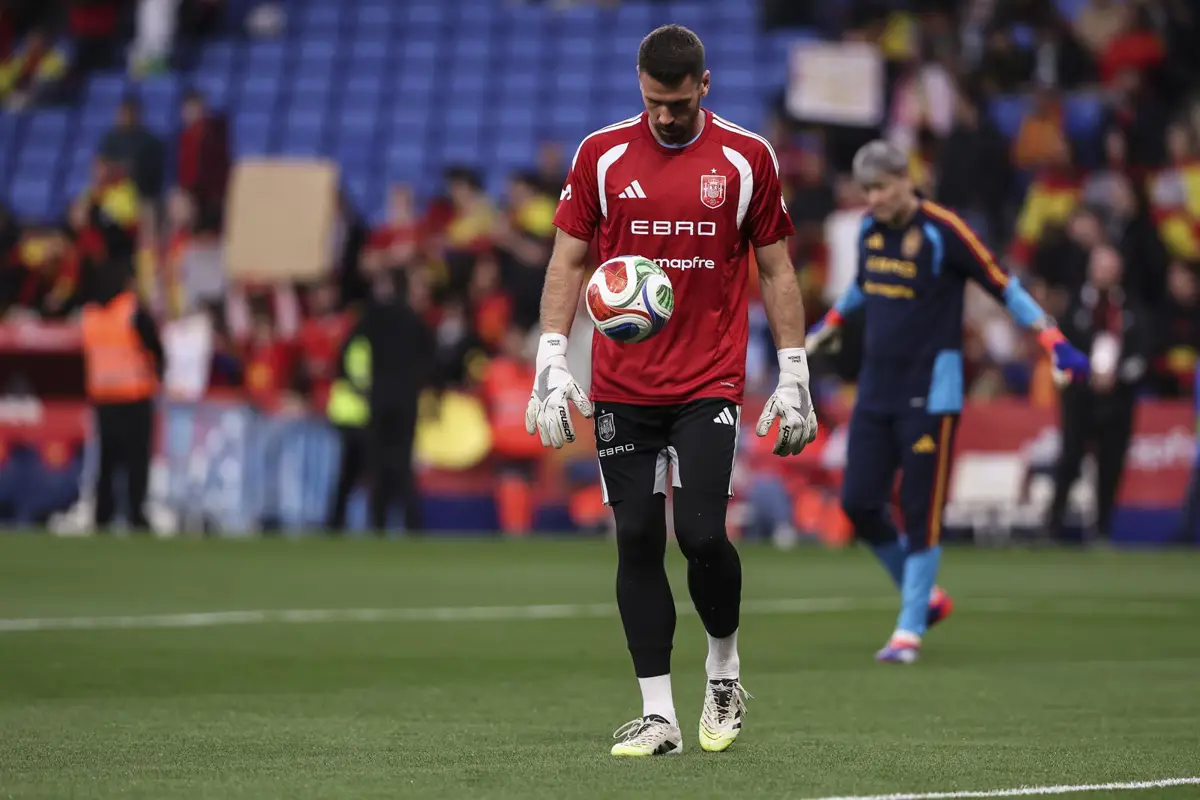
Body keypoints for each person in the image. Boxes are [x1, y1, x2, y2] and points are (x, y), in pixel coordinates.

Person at [526, 25, 818, 757]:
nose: (665, 116)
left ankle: (724, 671)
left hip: (707, 381)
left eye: (679, 104)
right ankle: (658, 717)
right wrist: (551, 356)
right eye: (654, 101)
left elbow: (776, 269)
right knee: (635, 538)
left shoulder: (747, 159)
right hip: (622, 384)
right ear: (639, 84)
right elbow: (567, 261)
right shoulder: (600, 155)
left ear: (704, 87)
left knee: (701, 535)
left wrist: (794, 371)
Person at [806, 140, 1089, 665]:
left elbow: (1003, 285)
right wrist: (829, 324)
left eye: (882, 187)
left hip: (931, 393)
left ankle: (909, 628)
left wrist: (1051, 337)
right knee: (858, 503)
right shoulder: (869, 230)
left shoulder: (945, 230)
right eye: (867, 190)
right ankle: (927, 598)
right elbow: (863, 286)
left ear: (906, 179)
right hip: (875, 389)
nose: (875, 198)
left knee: (921, 508)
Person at [1045, 245, 1150, 542]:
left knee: (1111, 462)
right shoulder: (1074, 306)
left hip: (1118, 397)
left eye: (1110, 268)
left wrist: (1120, 375)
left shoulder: (1131, 309)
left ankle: (1102, 527)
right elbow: (1061, 346)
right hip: (1080, 396)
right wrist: (1086, 373)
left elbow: (1144, 350)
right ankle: (1053, 524)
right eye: (1100, 267)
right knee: (1071, 457)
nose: (1105, 273)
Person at [80, 271, 165, 533]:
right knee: (136, 460)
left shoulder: (90, 315)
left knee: (107, 460)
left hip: (103, 397)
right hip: (134, 394)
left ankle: (103, 514)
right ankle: (135, 513)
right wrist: (159, 371)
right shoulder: (131, 311)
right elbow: (155, 348)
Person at [358, 268, 437, 534]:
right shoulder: (414, 321)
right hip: (406, 399)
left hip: (380, 397)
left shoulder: (374, 317)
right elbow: (431, 360)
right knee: (403, 465)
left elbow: (353, 348)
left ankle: (378, 525)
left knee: (378, 465)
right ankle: (412, 525)